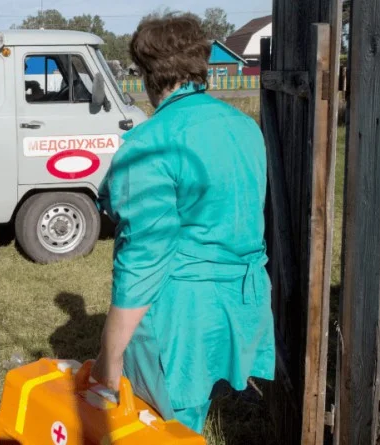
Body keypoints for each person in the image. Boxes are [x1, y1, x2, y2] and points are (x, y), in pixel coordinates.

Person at [90, 15, 276, 434]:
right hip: (240, 303)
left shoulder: (149, 144)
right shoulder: (245, 128)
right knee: (192, 417)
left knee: (161, 428)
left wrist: (110, 356)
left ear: (146, 72)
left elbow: (142, 261)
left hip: (181, 316)